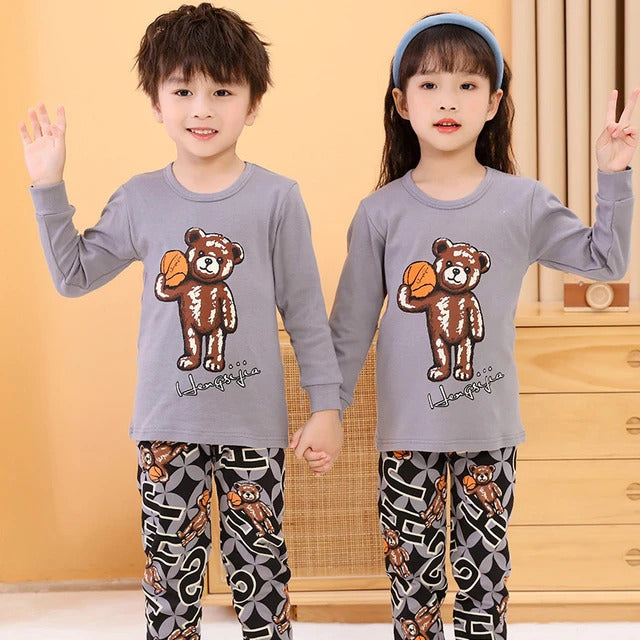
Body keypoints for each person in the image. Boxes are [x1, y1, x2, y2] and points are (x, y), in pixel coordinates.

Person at [19, 4, 342, 639]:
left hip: (254, 429)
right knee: (170, 586)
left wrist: (326, 406)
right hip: (166, 427)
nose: (202, 109)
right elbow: (74, 275)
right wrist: (48, 186)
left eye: (223, 91)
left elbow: (305, 312)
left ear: (252, 104)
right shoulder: (140, 198)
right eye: (183, 90)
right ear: (156, 102)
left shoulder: (276, 198)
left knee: (263, 579)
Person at [329, 12, 638, 640]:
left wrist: (613, 175)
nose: (448, 101)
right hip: (405, 440)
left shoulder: (521, 202)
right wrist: (326, 412)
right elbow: (350, 331)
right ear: (402, 103)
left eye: (468, 85)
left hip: (489, 437)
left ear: (494, 103)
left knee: (484, 591)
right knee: (413, 595)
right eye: (430, 85)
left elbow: (605, 261)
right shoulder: (379, 212)